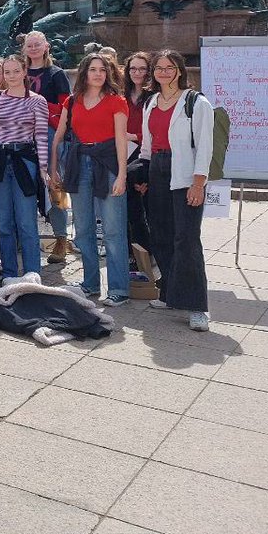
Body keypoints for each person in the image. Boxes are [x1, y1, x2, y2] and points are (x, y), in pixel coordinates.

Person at [139, 50, 213, 331]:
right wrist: (142, 173)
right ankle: (169, 293)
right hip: (157, 169)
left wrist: (198, 183)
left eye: (170, 67)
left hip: (185, 172)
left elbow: (205, 146)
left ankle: (197, 306)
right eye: (159, 68)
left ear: (180, 70)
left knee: (187, 239)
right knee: (161, 235)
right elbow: (147, 144)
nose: (164, 72)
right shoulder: (151, 102)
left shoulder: (196, 102)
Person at [50, 53, 130, 305]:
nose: (98, 74)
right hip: (78, 163)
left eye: (102, 70)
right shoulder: (72, 102)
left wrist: (122, 174)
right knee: (83, 230)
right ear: (84, 73)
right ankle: (90, 284)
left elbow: (120, 141)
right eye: (93, 69)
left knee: (113, 231)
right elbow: (59, 137)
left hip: (107, 164)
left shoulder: (117, 101)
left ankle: (119, 289)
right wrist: (53, 169)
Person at [0, 54, 49, 278]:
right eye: (6, 72)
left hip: (24, 161)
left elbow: (41, 135)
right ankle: (9, 272)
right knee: (4, 221)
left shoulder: (37, 100)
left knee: (27, 221)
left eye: (15, 71)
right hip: (0, 160)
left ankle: (32, 273)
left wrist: (43, 168)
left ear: (24, 72)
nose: (11, 76)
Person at [23, 31, 73, 263]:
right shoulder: (19, 71)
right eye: (29, 45)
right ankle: (25, 239)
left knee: (54, 185)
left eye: (37, 45)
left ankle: (61, 239)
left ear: (46, 47)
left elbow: (66, 108)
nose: (33, 49)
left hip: (50, 134)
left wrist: (39, 107)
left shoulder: (56, 74)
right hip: (22, 134)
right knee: (25, 187)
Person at [122, 52, 154, 265]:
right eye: (133, 68)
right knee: (125, 208)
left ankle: (145, 253)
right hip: (123, 154)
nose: (137, 73)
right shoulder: (122, 95)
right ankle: (129, 252)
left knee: (141, 210)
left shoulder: (153, 97)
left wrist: (134, 136)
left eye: (142, 68)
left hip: (146, 155)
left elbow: (159, 129)